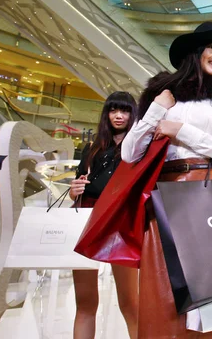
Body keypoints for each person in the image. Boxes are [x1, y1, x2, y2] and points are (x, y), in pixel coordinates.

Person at [121, 21, 212, 338]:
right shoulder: (163, 96)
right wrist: (157, 109)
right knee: (167, 292)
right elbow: (130, 153)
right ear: (195, 53)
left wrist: (180, 131)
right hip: (166, 201)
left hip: (211, 196)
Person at [70, 92, 139, 339]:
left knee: (131, 303)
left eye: (125, 110)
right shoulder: (91, 148)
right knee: (86, 303)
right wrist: (73, 189)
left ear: (133, 114)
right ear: (106, 114)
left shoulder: (138, 147)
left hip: (120, 221)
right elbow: (77, 191)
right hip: (86, 219)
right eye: (113, 110)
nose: (118, 116)